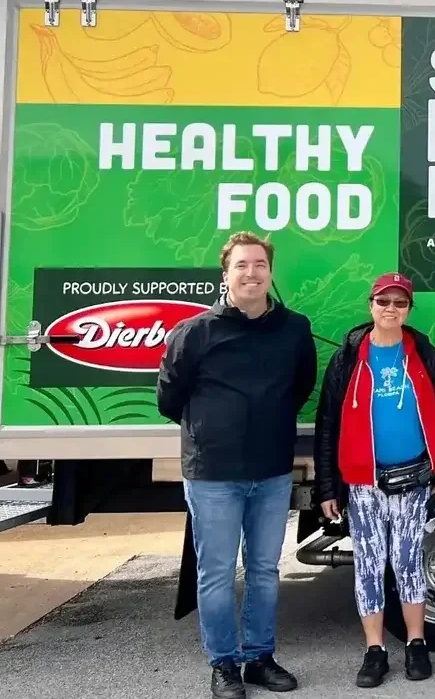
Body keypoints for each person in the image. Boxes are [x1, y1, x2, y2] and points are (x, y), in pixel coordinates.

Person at [156, 232, 318, 699]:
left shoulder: (293, 329)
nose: (252, 272)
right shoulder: (194, 333)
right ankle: (224, 665)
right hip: (213, 475)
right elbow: (170, 398)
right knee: (217, 572)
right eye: (242, 265)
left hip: (270, 471)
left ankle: (259, 659)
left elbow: (300, 386)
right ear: (226, 274)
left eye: (260, 264)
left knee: (266, 569)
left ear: (271, 273)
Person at [313, 272, 435, 688]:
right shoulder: (348, 357)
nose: (391, 309)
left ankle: (416, 643)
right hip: (363, 484)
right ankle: (375, 649)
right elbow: (328, 423)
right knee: (368, 565)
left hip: (414, 480)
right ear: (371, 305)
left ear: (408, 310)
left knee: (408, 562)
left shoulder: (422, 354)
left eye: (400, 303)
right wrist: (327, 487)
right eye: (384, 302)